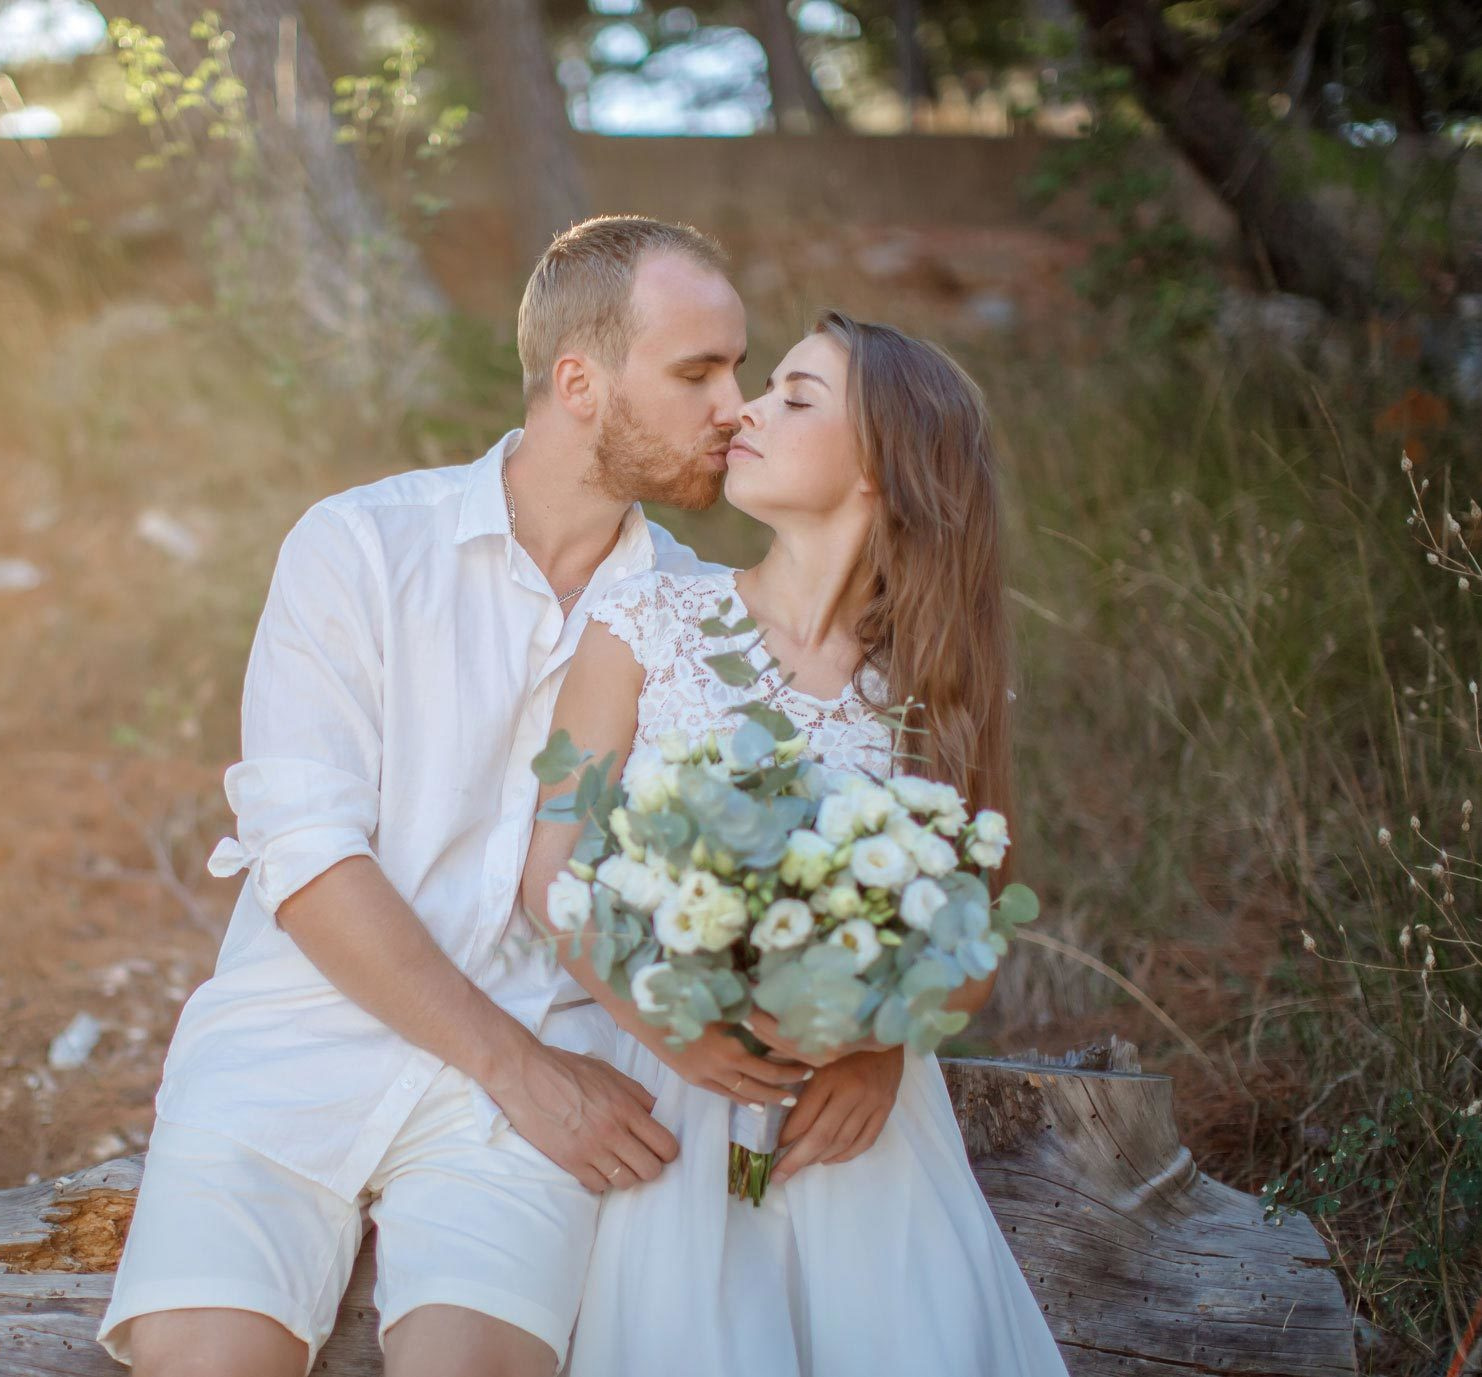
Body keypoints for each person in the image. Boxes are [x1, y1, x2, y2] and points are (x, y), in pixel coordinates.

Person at [97, 217, 895, 1377]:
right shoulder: (360, 545)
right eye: (695, 372)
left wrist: (877, 1039)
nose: (733, 405)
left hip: (547, 1090)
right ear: (579, 382)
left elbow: (824, 853)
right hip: (295, 1051)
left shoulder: (702, 614)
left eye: (740, 369)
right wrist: (518, 1074)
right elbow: (308, 858)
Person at [520, 310, 1071, 1376]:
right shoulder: (645, 623)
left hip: (854, 1122)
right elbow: (554, 869)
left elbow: (972, 946)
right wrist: (666, 1025)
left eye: (795, 396)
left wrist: (877, 1049)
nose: (746, 410)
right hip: (676, 1098)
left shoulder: (938, 690)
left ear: (881, 466)